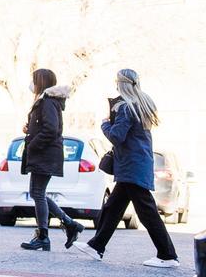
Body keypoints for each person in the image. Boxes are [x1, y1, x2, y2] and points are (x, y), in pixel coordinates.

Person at [73, 68, 179, 269]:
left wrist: (104, 124)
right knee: (113, 208)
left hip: (131, 166)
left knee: (147, 213)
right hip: (136, 164)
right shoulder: (140, 104)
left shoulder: (126, 107)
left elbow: (116, 136)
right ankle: (96, 246)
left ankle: (167, 255)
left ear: (120, 84)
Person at [19, 68, 83, 251]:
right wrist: (30, 129)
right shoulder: (46, 101)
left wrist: (32, 145)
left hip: (44, 154)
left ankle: (44, 236)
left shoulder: (47, 102)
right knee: (37, 193)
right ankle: (69, 224)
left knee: (37, 194)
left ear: (41, 82)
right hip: (44, 154)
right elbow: (45, 127)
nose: (32, 84)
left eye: (34, 80)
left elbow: (51, 129)